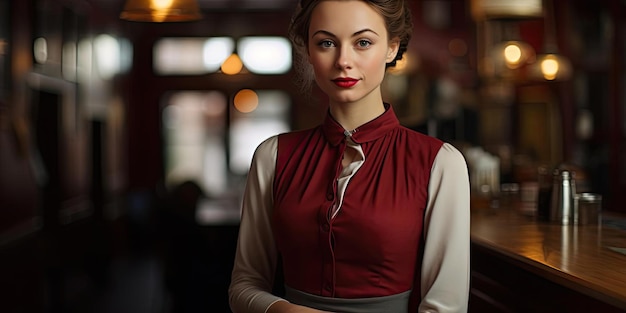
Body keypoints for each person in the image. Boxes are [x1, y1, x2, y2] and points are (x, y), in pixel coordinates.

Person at [228, 0, 470, 312]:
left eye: (363, 42)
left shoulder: (441, 163)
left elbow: (445, 308)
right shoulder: (272, 156)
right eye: (326, 43)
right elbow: (243, 287)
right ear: (308, 52)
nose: (343, 60)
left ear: (392, 49)